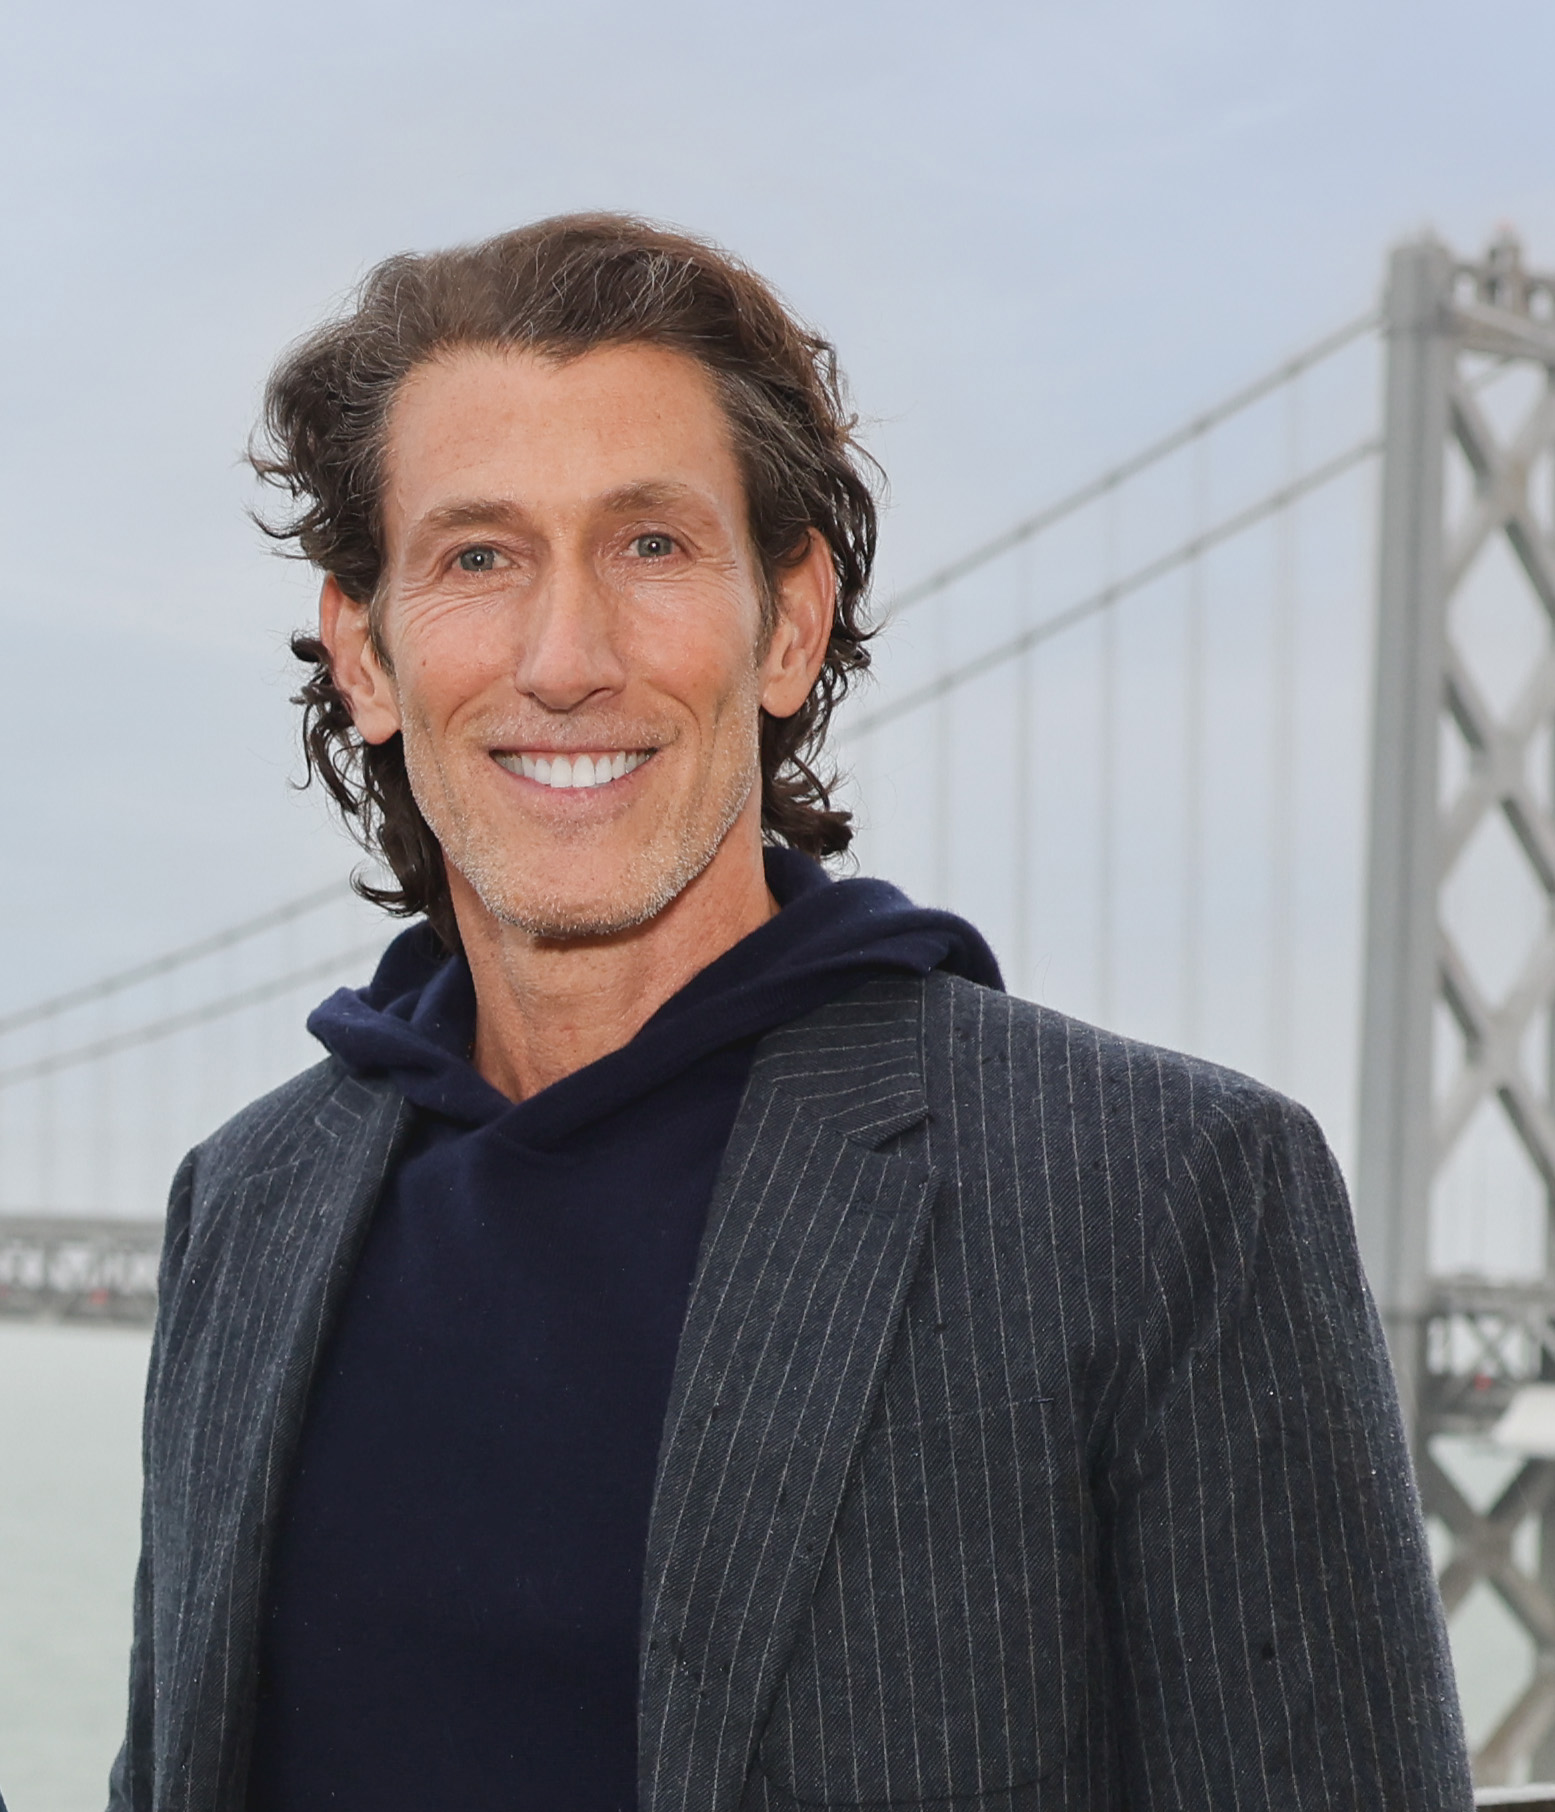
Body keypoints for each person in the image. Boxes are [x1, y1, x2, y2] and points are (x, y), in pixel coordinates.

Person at [108, 215, 1472, 1812]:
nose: (566, 657)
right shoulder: (243, 1208)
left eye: (650, 547)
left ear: (793, 623)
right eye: (479, 557)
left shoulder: (1167, 1200)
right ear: (366, 654)